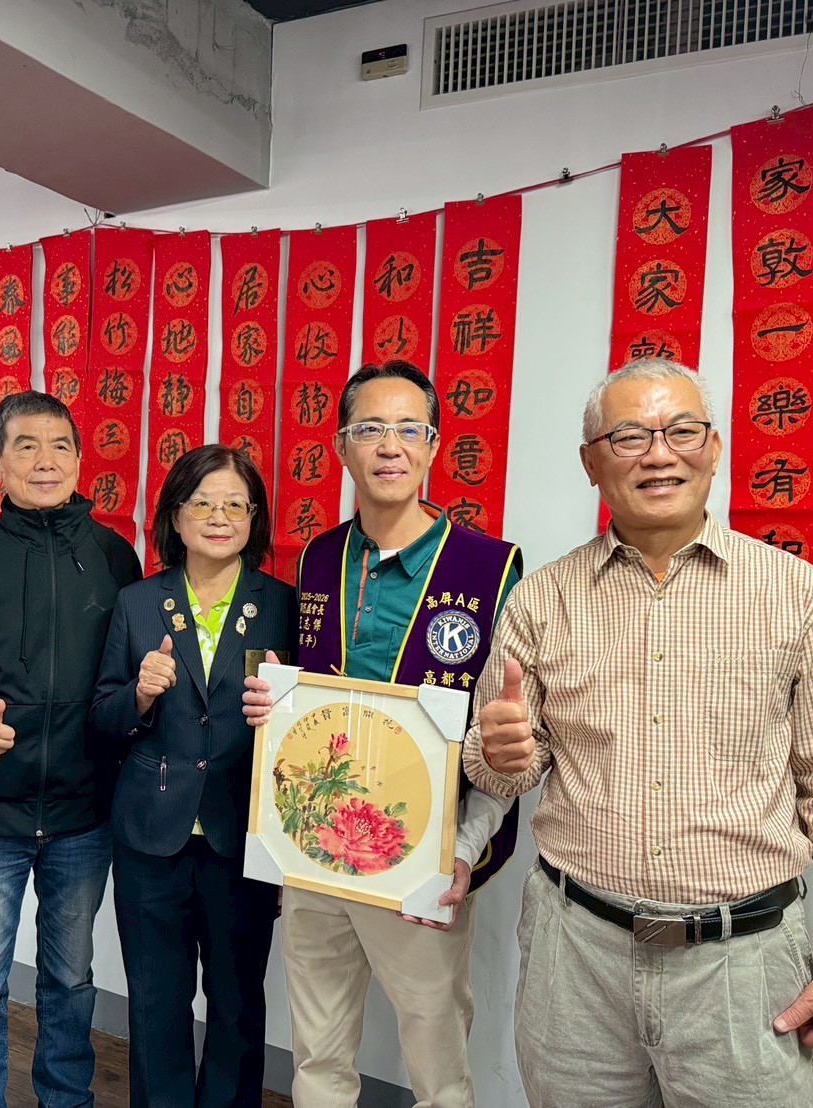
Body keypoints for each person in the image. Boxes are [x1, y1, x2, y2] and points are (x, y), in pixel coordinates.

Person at [465, 358, 813, 1108]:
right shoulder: (541, 599)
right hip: (574, 959)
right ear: (591, 462)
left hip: (742, 968)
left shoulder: (793, 595)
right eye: (629, 437)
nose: (658, 454)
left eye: (680, 431)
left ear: (714, 448)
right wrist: (498, 754)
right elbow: (501, 769)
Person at [242, 360, 522, 1108]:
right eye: (369, 429)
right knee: (317, 1054)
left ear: (433, 446)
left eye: (408, 429)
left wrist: (463, 848)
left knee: (438, 1064)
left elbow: (502, 741)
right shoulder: (317, 557)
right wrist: (272, 705)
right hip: (314, 855)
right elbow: (306, 702)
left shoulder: (489, 568)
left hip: (423, 860)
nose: (389, 445)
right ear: (342, 447)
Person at [0, 390, 141, 1108]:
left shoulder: (115, 556)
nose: (46, 461)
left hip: (83, 812)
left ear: (79, 459)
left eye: (60, 445)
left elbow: (127, 681)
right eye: (26, 446)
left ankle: (65, 1099)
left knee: (70, 980)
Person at [91, 444, 293, 1108]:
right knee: (156, 1001)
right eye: (202, 503)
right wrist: (139, 695)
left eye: (235, 504)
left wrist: (287, 711)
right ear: (174, 517)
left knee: (237, 1003)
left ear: (254, 518)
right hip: (151, 834)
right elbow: (103, 714)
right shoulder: (137, 602)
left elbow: (306, 726)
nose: (218, 517)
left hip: (243, 836)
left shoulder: (281, 605)